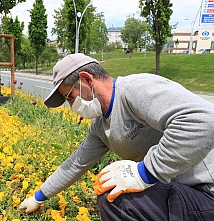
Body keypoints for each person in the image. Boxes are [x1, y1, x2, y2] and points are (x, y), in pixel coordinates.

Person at [18, 53, 214, 220]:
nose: (72, 106)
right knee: (111, 187)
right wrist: (38, 197)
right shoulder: (101, 127)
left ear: (86, 79)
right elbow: (76, 163)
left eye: (70, 96)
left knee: (115, 197)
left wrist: (145, 173)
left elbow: (204, 120)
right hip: (181, 193)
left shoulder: (134, 91)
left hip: (206, 191)